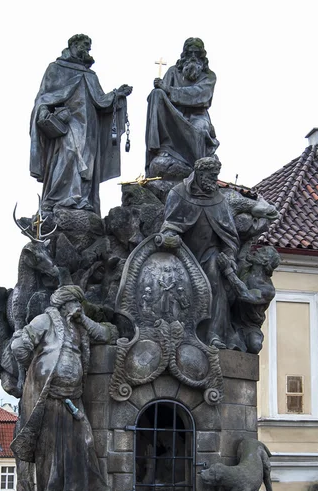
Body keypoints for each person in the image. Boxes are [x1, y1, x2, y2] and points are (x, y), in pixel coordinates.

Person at [10, 285, 118, 491]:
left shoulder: (79, 326)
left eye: (80, 303)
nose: (79, 307)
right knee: (50, 447)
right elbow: (19, 345)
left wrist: (83, 319)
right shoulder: (45, 320)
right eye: (75, 303)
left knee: (82, 443)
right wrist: (36, 369)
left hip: (74, 397)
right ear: (64, 303)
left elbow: (106, 335)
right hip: (49, 395)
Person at [30, 34, 132, 215]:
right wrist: (45, 112)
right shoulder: (56, 69)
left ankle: (82, 199)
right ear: (73, 45)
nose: (88, 49)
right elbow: (44, 97)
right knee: (68, 153)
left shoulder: (90, 75)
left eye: (89, 46)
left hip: (90, 126)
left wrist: (117, 94)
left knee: (88, 161)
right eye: (84, 45)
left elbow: (101, 101)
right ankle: (57, 198)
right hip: (68, 122)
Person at [159, 156, 242, 350]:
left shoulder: (219, 200)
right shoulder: (178, 194)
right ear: (199, 174)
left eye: (216, 177)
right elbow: (168, 227)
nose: (214, 181)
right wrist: (170, 237)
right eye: (211, 176)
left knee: (215, 273)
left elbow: (230, 237)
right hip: (182, 254)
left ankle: (214, 334)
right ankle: (179, 331)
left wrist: (229, 257)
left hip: (210, 254)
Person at [146, 38, 219, 181]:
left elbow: (201, 95)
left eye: (196, 53)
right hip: (174, 115)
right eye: (189, 53)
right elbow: (162, 96)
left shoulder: (209, 76)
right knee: (156, 94)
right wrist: (161, 90)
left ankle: (198, 165)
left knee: (200, 128)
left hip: (197, 116)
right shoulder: (173, 72)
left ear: (202, 56)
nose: (192, 56)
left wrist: (170, 90)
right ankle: (160, 148)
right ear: (184, 55)